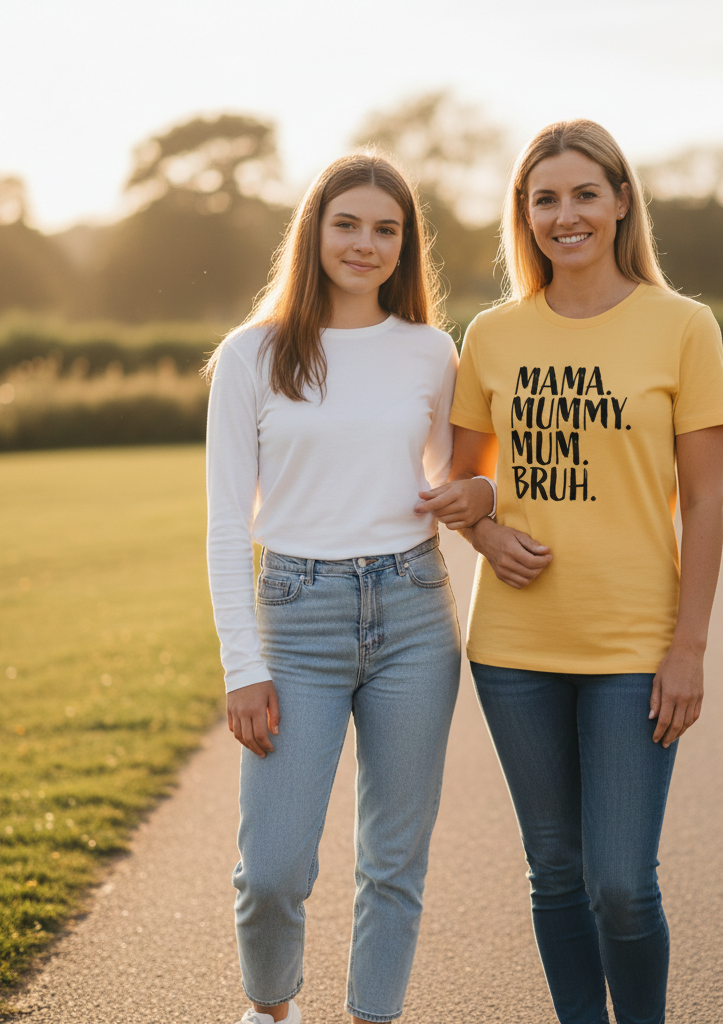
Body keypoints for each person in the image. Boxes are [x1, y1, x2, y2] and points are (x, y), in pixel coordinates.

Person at [420, 120, 723, 1024]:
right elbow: (465, 484)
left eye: (584, 195)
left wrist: (691, 648)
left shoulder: (682, 327)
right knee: (555, 870)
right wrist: (485, 537)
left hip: (637, 644)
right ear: (524, 215)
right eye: (544, 199)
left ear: (621, 201)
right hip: (515, 647)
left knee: (622, 883)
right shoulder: (492, 335)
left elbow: (706, 504)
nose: (566, 216)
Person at [204, 152, 492, 1024]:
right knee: (274, 869)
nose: (366, 244)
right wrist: (240, 665)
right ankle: (270, 1006)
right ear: (315, 232)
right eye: (348, 225)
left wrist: (478, 497)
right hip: (297, 617)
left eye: (386, 230)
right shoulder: (253, 354)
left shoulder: (431, 351)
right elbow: (224, 523)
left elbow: (454, 479)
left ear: (405, 247)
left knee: (393, 862)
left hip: (412, 608)